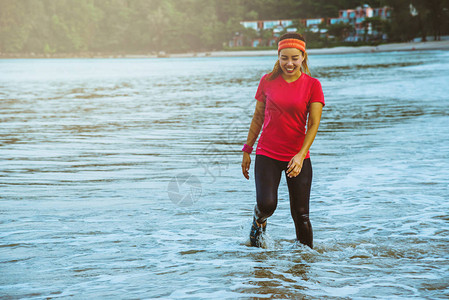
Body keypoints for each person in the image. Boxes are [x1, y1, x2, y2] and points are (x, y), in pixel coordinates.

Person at [241, 32, 325, 249]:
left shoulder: (312, 85)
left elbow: (313, 123)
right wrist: (247, 149)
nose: (289, 63)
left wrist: (300, 155)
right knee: (266, 205)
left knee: (301, 215)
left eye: (294, 58)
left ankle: (304, 266)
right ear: (278, 57)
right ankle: (259, 220)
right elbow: (258, 117)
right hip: (267, 153)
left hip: (297, 158)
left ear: (303, 57)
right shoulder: (267, 81)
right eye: (284, 58)